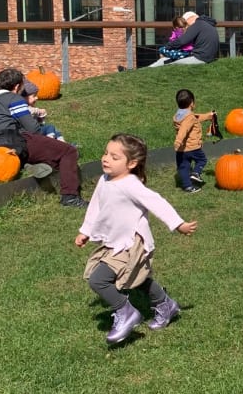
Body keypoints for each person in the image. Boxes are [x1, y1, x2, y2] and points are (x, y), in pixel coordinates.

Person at [75, 134, 197, 345]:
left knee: (99, 280)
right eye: (106, 153)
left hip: (130, 244)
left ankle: (126, 311)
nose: (106, 159)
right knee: (138, 279)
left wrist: (179, 224)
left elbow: (157, 202)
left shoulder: (131, 185)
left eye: (114, 157)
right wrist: (86, 231)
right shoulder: (105, 180)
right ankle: (166, 305)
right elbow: (95, 205)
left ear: (131, 163)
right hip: (113, 241)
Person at [0, 68, 86, 207]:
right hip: (13, 140)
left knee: (48, 155)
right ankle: (70, 197)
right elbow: (32, 129)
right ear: (17, 86)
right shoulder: (13, 98)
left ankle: (28, 165)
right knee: (68, 151)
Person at [173, 88, 214, 193]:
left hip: (181, 150)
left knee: (183, 167)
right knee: (202, 160)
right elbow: (184, 129)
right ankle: (196, 173)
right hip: (192, 147)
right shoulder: (189, 117)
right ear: (192, 103)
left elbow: (195, 118)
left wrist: (208, 116)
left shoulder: (178, 115)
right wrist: (178, 141)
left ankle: (188, 186)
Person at [147, 11, 220, 66]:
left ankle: (149, 69)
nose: (186, 27)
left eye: (186, 24)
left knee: (167, 63)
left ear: (189, 19)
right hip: (209, 58)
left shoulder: (197, 25)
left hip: (200, 58)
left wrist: (165, 48)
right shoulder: (207, 24)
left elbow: (182, 41)